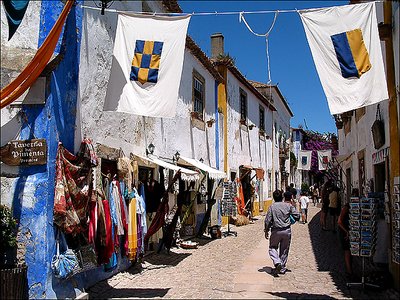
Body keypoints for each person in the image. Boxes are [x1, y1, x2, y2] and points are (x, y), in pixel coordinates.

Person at [264, 190, 300, 276]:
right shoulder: (288, 206)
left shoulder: (272, 207)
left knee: (272, 247)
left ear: (273, 197)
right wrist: (291, 221)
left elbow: (268, 220)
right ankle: (282, 268)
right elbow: (297, 215)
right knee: (284, 250)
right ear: (282, 197)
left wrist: (266, 230)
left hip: (276, 231)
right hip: (287, 230)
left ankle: (277, 262)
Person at [337, 201, 353, 280]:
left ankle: (350, 270)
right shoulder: (346, 207)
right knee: (347, 251)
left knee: (349, 251)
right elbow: (339, 221)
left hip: (348, 232)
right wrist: (346, 232)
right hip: (344, 233)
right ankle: (349, 271)